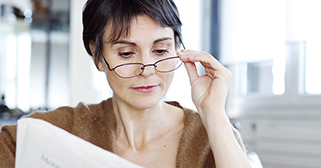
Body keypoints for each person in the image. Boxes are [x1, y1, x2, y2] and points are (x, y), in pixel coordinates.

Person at [0, 0, 251, 167]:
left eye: (161, 50)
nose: (147, 70)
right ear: (99, 56)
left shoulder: (210, 137)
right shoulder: (66, 130)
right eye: (127, 54)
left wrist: (215, 113)